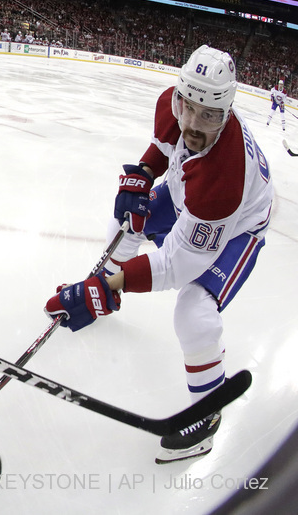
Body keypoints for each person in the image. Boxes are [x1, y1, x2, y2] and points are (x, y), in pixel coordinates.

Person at [44, 45, 273, 464]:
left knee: (194, 313)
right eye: (187, 107)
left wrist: (108, 283)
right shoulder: (174, 104)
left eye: (208, 116)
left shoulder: (224, 177)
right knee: (124, 225)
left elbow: (176, 265)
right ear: (179, 95)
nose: (192, 123)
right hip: (190, 189)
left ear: (226, 113)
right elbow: (164, 150)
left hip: (239, 223)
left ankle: (205, 417)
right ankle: (100, 299)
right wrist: (142, 177)